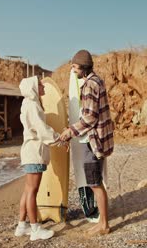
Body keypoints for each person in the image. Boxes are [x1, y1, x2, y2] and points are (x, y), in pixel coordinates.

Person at [60, 49, 114, 236]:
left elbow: (90, 117)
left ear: (83, 67)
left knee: (94, 183)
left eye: (75, 67)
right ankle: (103, 222)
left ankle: (104, 224)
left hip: (93, 142)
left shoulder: (89, 85)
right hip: (98, 139)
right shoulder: (97, 80)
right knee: (96, 182)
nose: (73, 70)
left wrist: (70, 131)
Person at [14, 76, 62, 241]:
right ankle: (35, 229)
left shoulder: (26, 104)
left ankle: (21, 226)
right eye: (40, 85)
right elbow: (42, 130)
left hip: (29, 152)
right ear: (33, 87)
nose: (44, 87)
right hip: (34, 153)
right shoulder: (33, 106)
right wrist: (59, 139)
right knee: (32, 192)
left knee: (28, 190)